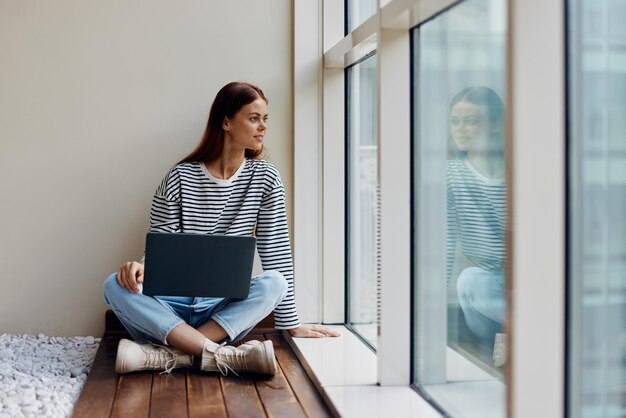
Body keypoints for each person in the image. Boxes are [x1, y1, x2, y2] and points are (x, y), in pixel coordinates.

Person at [103, 81, 339, 376]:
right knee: (113, 284)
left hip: (220, 310)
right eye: (254, 118)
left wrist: (289, 323)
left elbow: (275, 247)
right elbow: (161, 247)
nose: (262, 127)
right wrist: (139, 268)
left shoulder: (265, 178)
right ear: (226, 121)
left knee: (275, 283)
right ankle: (220, 355)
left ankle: (175, 352)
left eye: (265, 119)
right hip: (169, 304)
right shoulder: (179, 177)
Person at [446, 87, 507, 348]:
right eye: (455, 121)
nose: (460, 129)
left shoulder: (520, 171)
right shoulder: (451, 174)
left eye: (471, 121)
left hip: (530, 281)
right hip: (490, 286)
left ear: (494, 125)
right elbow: (445, 244)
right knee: (470, 280)